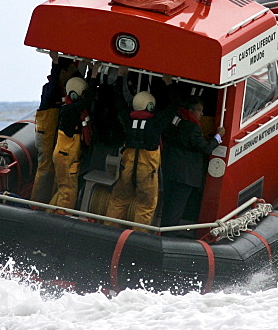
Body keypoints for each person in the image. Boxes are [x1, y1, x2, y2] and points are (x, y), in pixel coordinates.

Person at [105, 74, 171, 229]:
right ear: (150, 106)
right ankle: (137, 238)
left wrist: (121, 76)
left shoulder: (127, 120)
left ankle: (107, 230)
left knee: (118, 201)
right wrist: (169, 85)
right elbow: (172, 106)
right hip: (147, 173)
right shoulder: (156, 123)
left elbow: (119, 101)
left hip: (126, 169)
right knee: (145, 206)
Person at [160, 96, 224, 232]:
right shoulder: (192, 127)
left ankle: (163, 229)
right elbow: (205, 148)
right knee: (177, 206)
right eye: (199, 110)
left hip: (171, 171)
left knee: (168, 203)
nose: (201, 114)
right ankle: (168, 234)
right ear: (191, 110)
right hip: (185, 175)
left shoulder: (176, 122)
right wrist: (218, 137)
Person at [32, 56, 77, 204]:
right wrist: (55, 62)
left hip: (53, 134)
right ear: (63, 71)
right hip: (45, 134)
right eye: (71, 70)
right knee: (45, 167)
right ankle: (37, 203)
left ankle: (49, 200)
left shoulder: (65, 89)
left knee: (54, 168)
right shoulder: (51, 89)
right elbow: (55, 79)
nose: (74, 73)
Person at [48, 73, 94, 212]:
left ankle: (49, 214)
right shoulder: (70, 110)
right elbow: (87, 101)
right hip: (66, 157)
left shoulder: (70, 107)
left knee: (62, 188)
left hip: (65, 155)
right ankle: (59, 220)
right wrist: (94, 77)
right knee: (68, 192)